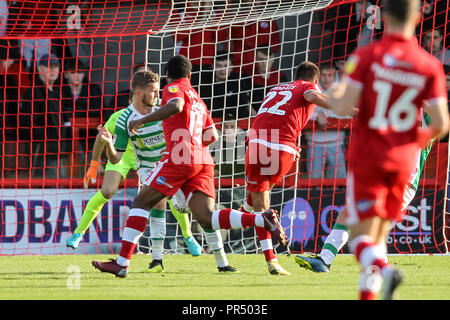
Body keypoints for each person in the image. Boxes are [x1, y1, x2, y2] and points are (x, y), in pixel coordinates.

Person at [91, 55, 286, 277]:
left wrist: (142, 121)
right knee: (206, 216)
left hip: (180, 156)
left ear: (167, 76)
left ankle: (122, 263)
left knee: (141, 201)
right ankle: (262, 218)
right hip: (203, 159)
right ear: (190, 75)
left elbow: (176, 105)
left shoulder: (173, 89)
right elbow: (211, 134)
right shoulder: (199, 100)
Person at [314, 0, 448, 300]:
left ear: (383, 16)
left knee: (362, 237)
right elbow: (441, 125)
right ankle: (375, 288)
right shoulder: (430, 66)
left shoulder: (367, 56)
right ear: (417, 16)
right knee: (377, 236)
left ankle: (384, 271)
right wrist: (414, 138)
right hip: (404, 160)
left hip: (369, 155)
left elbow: (343, 106)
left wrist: (335, 92)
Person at [65, 88, 203, 263]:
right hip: (123, 156)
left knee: (168, 194)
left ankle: (188, 236)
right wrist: (93, 165)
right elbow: (101, 138)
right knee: (107, 191)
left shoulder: (157, 113)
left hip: (148, 158)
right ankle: (79, 233)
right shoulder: (120, 117)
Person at [296, 111, 437, 273]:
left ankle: (382, 271)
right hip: (382, 177)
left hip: (403, 182)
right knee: (350, 216)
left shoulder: (428, 116)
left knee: (369, 229)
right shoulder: (401, 103)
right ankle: (325, 260)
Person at [241, 61, 330, 275]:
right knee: (261, 208)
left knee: (257, 203)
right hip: (281, 148)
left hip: (255, 143)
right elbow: (312, 96)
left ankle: (238, 218)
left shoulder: (277, 88)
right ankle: (271, 255)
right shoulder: (308, 86)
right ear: (315, 80)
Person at [19, 53, 71, 179]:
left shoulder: (57, 93)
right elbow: (27, 123)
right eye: (49, 66)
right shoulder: (33, 92)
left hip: (58, 151)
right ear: (39, 69)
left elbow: (64, 121)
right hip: (41, 152)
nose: (53, 70)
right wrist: (48, 138)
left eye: (55, 66)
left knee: (60, 185)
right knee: (43, 186)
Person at [305, 64, 349, 179]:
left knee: (339, 182)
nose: (326, 78)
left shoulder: (342, 90)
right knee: (314, 182)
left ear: (335, 76)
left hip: (336, 144)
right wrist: (317, 115)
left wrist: (330, 114)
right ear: (318, 77)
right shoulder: (310, 89)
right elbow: (301, 111)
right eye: (323, 75)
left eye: (329, 75)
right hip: (314, 144)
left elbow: (350, 112)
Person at [201, 51, 251, 119]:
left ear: (231, 67)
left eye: (226, 66)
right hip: (210, 122)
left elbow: (242, 110)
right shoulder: (204, 82)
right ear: (212, 66)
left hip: (233, 124)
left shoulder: (238, 82)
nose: (222, 69)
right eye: (219, 65)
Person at [245, 45, 287, 114]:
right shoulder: (249, 76)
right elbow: (245, 100)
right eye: (261, 59)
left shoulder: (280, 76)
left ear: (273, 59)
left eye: (267, 59)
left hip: (275, 115)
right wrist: (255, 115)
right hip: (254, 117)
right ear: (256, 59)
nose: (264, 63)